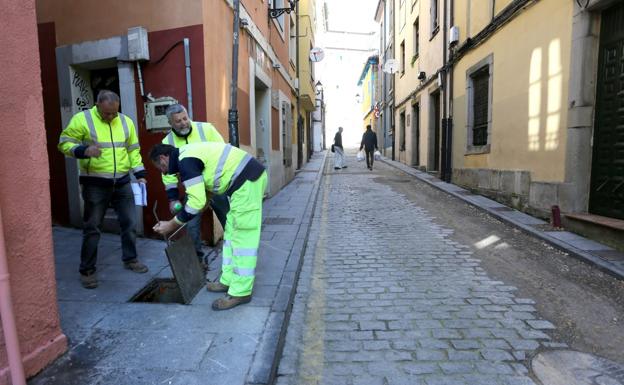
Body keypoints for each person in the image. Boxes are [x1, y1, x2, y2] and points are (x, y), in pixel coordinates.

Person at [150, 142, 267, 311]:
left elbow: (196, 202)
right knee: (231, 234)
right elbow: (204, 194)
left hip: (247, 183)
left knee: (243, 239)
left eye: (160, 167)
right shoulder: (186, 156)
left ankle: (241, 291)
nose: (163, 172)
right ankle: (227, 280)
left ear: (163, 158)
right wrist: (192, 209)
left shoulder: (185, 161)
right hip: (242, 185)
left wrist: (172, 224)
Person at [58, 90, 148, 289]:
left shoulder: (126, 122)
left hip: (123, 181)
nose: (111, 117)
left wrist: (140, 174)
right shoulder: (82, 119)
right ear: (98, 105)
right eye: (107, 113)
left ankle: (130, 259)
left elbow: (133, 150)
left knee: (130, 222)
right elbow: (64, 143)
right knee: (92, 228)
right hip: (95, 184)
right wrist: (83, 151)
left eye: (114, 113)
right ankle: (87, 270)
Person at [161, 104, 229, 260]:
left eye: (185, 118)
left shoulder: (206, 129)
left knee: (228, 220)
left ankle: (234, 251)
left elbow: (222, 152)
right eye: (178, 121)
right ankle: (197, 259)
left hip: (216, 185)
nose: (184, 123)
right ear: (170, 123)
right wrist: (172, 199)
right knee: (191, 224)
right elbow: (168, 175)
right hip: (193, 189)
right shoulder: (167, 142)